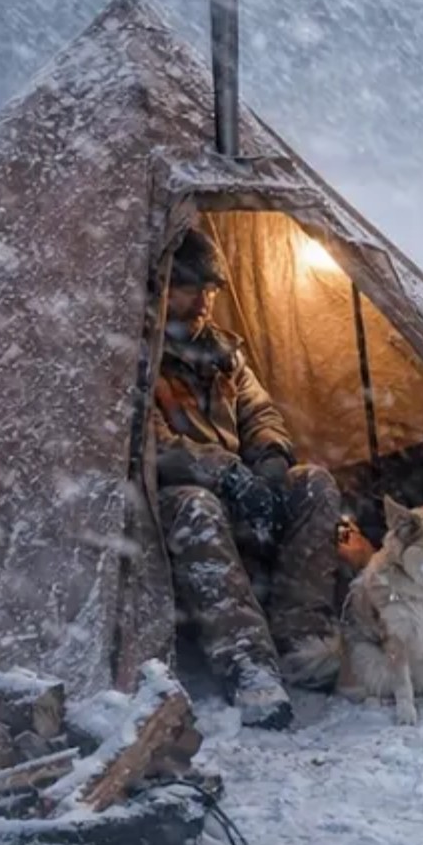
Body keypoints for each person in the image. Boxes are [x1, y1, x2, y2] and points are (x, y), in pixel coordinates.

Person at [151, 225, 341, 729]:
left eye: (210, 290)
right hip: (168, 500)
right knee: (196, 505)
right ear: (160, 286)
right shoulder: (137, 359)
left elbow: (260, 414)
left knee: (314, 484)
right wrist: (225, 472)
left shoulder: (223, 353)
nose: (202, 303)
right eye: (190, 288)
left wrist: (272, 467)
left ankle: (300, 639)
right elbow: (150, 445)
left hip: (237, 484)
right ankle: (247, 664)